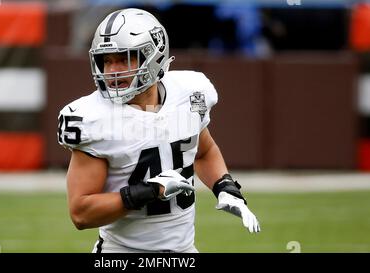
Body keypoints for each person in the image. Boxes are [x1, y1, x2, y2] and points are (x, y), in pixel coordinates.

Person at [57, 8, 260, 253]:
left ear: (153, 56)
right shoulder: (93, 117)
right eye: (106, 60)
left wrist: (225, 187)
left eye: (124, 58)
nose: (112, 71)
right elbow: (81, 212)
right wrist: (152, 190)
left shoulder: (188, 93)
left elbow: (203, 152)